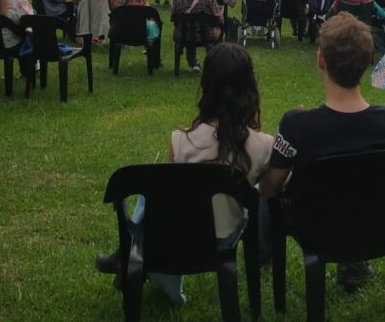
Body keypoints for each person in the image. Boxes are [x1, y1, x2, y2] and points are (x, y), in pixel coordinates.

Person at [96, 43, 273, 306]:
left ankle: (128, 254)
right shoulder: (263, 145)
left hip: (182, 235)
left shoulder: (179, 140)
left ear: (206, 86)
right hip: (225, 234)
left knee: (154, 190)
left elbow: (173, 198)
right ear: (249, 87)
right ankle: (125, 255)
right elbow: (269, 193)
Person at [261, 13, 385, 292]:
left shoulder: (296, 124)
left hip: (315, 229)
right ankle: (354, 263)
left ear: (320, 61)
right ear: (366, 63)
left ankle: (262, 255)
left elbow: (269, 189)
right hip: (372, 223)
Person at [171, 0, 224, 71]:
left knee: (189, 29)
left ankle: (193, 63)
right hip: (207, 35)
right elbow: (219, 17)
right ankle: (214, 62)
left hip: (184, 34)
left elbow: (173, 18)